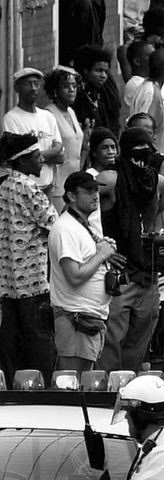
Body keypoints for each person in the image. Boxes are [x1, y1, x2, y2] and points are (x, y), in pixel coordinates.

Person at [93, 128, 164, 373]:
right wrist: (100, 247)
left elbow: (159, 217)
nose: (141, 157)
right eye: (136, 150)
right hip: (120, 276)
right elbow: (77, 211)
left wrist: (154, 237)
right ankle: (106, 398)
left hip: (148, 276)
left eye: (147, 150)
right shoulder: (109, 180)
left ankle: (129, 392)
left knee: (139, 345)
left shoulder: (158, 181)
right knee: (111, 345)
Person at [0, 133, 57, 383]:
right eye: (36, 157)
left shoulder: (2, 185)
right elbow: (54, 225)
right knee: (39, 344)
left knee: (10, 345)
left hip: (6, 285)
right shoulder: (30, 188)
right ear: (22, 161)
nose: (41, 161)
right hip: (34, 284)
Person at [48, 171, 119, 373]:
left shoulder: (80, 226)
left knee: (83, 385)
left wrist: (101, 250)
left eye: (96, 190)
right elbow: (74, 276)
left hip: (88, 318)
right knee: (73, 387)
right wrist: (101, 255)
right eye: (88, 191)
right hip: (75, 319)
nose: (95, 195)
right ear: (71, 196)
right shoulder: (65, 228)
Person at [3, 68, 64, 193]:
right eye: (27, 84)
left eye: (36, 84)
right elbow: (18, 158)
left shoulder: (47, 116)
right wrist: (52, 153)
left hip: (48, 187)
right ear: (17, 88)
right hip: (24, 189)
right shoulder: (11, 118)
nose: (33, 88)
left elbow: (61, 156)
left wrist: (36, 155)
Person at [44, 67, 85, 213]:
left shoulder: (71, 112)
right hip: (58, 185)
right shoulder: (49, 114)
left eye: (74, 86)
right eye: (66, 86)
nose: (72, 90)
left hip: (74, 184)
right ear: (55, 90)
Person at [73, 45, 120, 136]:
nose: (103, 76)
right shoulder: (76, 95)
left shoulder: (106, 94)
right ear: (86, 71)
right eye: (98, 70)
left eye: (106, 72)